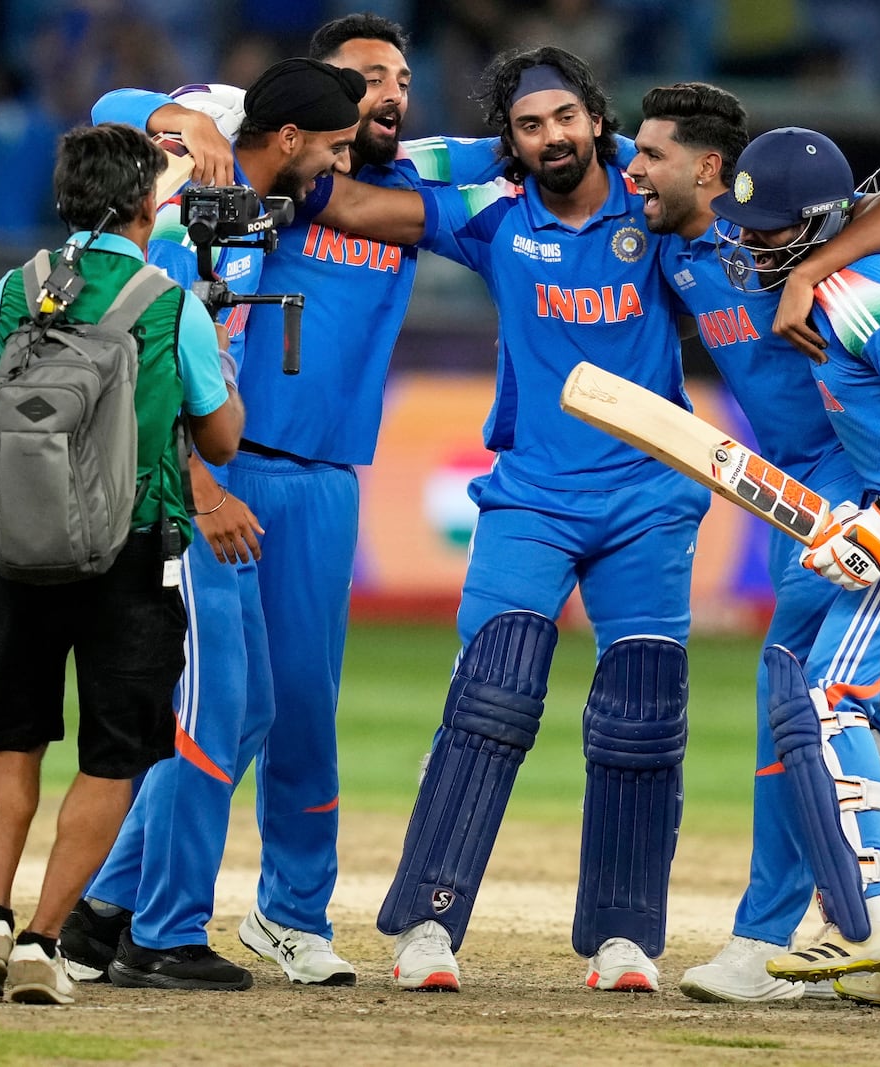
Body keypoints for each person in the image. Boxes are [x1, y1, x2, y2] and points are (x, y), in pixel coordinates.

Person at [69, 14, 506, 989]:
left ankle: (171, 908)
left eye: (397, 80)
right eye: (360, 83)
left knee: (277, 707)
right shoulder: (220, 173)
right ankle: (151, 920)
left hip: (319, 478)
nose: (383, 97)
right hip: (214, 472)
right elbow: (109, 110)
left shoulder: (400, 183)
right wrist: (190, 120)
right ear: (302, 107)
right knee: (214, 710)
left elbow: (517, 142)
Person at [307, 45, 709, 994]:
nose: (551, 137)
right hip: (531, 494)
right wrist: (257, 153)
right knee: (493, 695)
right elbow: (355, 204)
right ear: (513, 144)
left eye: (565, 118)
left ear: (597, 122)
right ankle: (425, 926)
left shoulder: (655, 212)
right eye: (529, 126)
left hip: (649, 500)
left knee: (644, 715)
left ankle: (624, 938)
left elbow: (758, 225)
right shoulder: (494, 217)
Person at [620, 83, 880, 1005]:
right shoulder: (684, 225)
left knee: (802, 700)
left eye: (651, 156)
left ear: (711, 168)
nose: (634, 169)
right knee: (866, 721)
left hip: (861, 487)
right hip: (791, 497)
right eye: (635, 155)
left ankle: (778, 937)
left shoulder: (786, 241)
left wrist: (817, 269)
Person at [0, 122, 243, 1006]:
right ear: (147, 201)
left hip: (16, 548)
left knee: (14, 733)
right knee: (115, 754)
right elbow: (222, 440)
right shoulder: (170, 301)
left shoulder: (17, 286)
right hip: (131, 548)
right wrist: (216, 348)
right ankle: (45, 936)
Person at [705, 127, 880, 1009]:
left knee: (831, 699)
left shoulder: (865, 300)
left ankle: (864, 925)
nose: (750, 244)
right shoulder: (834, 275)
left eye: (773, 231)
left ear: (822, 224)